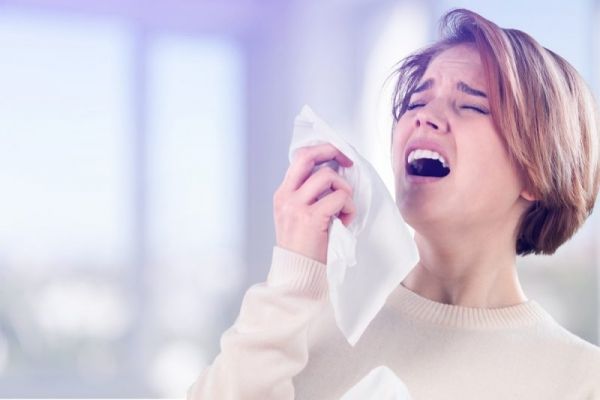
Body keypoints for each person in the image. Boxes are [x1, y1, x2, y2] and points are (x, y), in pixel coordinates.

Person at [187, 8, 600, 399]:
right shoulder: (303, 321)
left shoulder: (581, 379)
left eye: (471, 105)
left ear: (536, 170)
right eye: (416, 102)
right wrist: (292, 278)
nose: (424, 117)